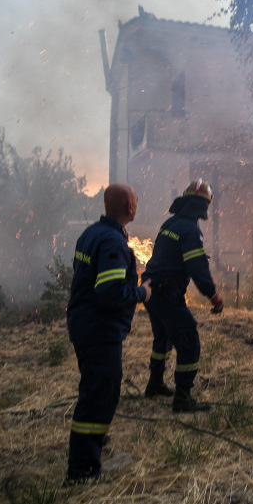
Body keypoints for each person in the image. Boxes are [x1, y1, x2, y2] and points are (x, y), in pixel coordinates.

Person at [66, 183, 152, 483]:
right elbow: (110, 293)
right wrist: (142, 292)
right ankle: (83, 470)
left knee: (97, 390)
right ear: (129, 207)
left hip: (84, 324)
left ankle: (93, 443)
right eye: (136, 200)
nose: (137, 205)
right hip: (99, 330)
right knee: (99, 396)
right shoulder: (113, 242)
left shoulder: (91, 233)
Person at [141, 179, 224, 413]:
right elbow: (197, 268)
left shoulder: (170, 223)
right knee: (189, 341)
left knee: (163, 337)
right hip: (167, 292)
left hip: (151, 289)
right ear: (201, 205)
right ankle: (183, 398)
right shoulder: (190, 230)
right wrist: (213, 296)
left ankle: (155, 384)